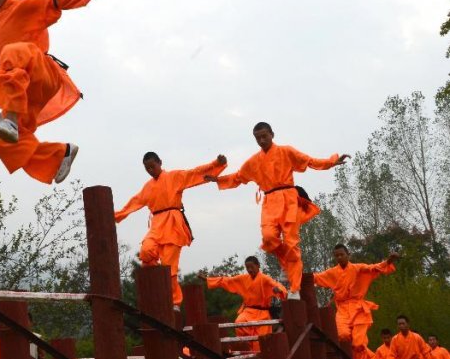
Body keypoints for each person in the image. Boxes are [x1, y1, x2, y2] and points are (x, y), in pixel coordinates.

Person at [0, 0, 107, 184]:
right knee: (1, 143)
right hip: (24, 89)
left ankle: (11, 121)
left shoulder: (25, 5)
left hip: (40, 70)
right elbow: (0, 38)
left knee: (12, 52)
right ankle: (60, 153)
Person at [205, 122, 349, 298]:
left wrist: (332, 162)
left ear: (272, 134)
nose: (262, 140)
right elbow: (238, 177)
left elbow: (309, 161)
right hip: (270, 202)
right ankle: (287, 263)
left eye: (264, 136)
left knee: (291, 243)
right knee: (269, 238)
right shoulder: (253, 161)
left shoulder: (286, 151)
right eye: (258, 138)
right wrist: (217, 180)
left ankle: (294, 289)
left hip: (288, 198)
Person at [116, 152, 227, 308]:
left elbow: (194, 173)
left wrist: (215, 164)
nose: (150, 170)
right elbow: (135, 202)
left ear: (160, 163)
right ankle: (157, 286)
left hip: (173, 224)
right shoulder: (148, 187)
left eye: (152, 166)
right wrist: (117, 215)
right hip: (156, 225)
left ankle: (175, 302)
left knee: (169, 266)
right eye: (147, 168)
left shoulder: (174, 177)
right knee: (146, 252)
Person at [313, 245, 398, 359]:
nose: (339, 257)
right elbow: (316, 277)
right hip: (342, 309)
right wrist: (296, 274)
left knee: (358, 343)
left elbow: (373, 268)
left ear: (348, 255)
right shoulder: (332, 272)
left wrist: (388, 261)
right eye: (336, 255)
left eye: (341, 254)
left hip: (359, 309)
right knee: (342, 335)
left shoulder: (358, 268)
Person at [198, 256, 286, 352]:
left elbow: (276, 285)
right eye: (247, 267)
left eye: (251, 267)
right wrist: (208, 279)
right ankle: (245, 349)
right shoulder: (243, 278)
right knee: (239, 322)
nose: (249, 270)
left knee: (260, 342)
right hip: (248, 311)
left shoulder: (264, 278)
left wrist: (279, 289)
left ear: (258, 266)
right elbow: (227, 280)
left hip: (262, 314)